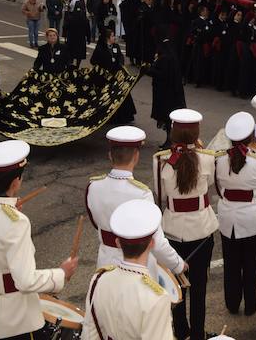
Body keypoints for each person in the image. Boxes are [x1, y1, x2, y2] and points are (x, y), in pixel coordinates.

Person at [0, 140, 78, 340]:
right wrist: (61, 274)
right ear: (16, 182)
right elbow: (26, 281)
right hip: (14, 320)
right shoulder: (15, 222)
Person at [85, 126, 186, 281]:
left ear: (110, 155)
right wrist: (178, 264)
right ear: (136, 156)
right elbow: (157, 242)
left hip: (105, 263)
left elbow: (95, 222)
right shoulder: (141, 193)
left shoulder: (93, 187)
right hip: (136, 267)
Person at [152, 109, 219, 340]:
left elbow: (159, 197)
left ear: (173, 132)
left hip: (172, 231)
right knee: (199, 287)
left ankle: (181, 332)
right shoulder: (209, 158)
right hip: (201, 230)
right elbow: (212, 188)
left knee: (176, 285)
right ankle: (198, 334)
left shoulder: (161, 160)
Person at [81, 199, 174, 340]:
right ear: (152, 244)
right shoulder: (157, 298)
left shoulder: (99, 279)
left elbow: (89, 333)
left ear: (118, 243)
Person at [215, 112, 256, 316]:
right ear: (251, 136)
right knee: (251, 264)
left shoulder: (221, 159)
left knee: (231, 263)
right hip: (252, 219)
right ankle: (250, 304)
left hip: (228, 218)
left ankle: (232, 303)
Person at [90, 28, 136, 124]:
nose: (114, 37)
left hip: (116, 74)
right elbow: (93, 61)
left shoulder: (116, 46)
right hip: (105, 77)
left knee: (122, 93)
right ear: (107, 38)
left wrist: (120, 63)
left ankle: (125, 116)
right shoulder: (100, 48)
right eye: (112, 36)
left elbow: (120, 56)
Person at [149, 40, 186, 148]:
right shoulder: (172, 57)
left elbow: (161, 74)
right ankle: (169, 140)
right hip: (172, 94)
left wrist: (148, 70)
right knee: (169, 120)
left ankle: (170, 141)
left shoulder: (165, 59)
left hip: (165, 95)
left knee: (167, 119)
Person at [64, 0, 89, 67]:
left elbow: (65, 26)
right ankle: (77, 65)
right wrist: (88, 38)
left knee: (72, 52)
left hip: (72, 38)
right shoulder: (83, 18)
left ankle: (71, 64)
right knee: (78, 53)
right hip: (79, 38)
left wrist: (64, 35)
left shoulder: (70, 17)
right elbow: (87, 28)